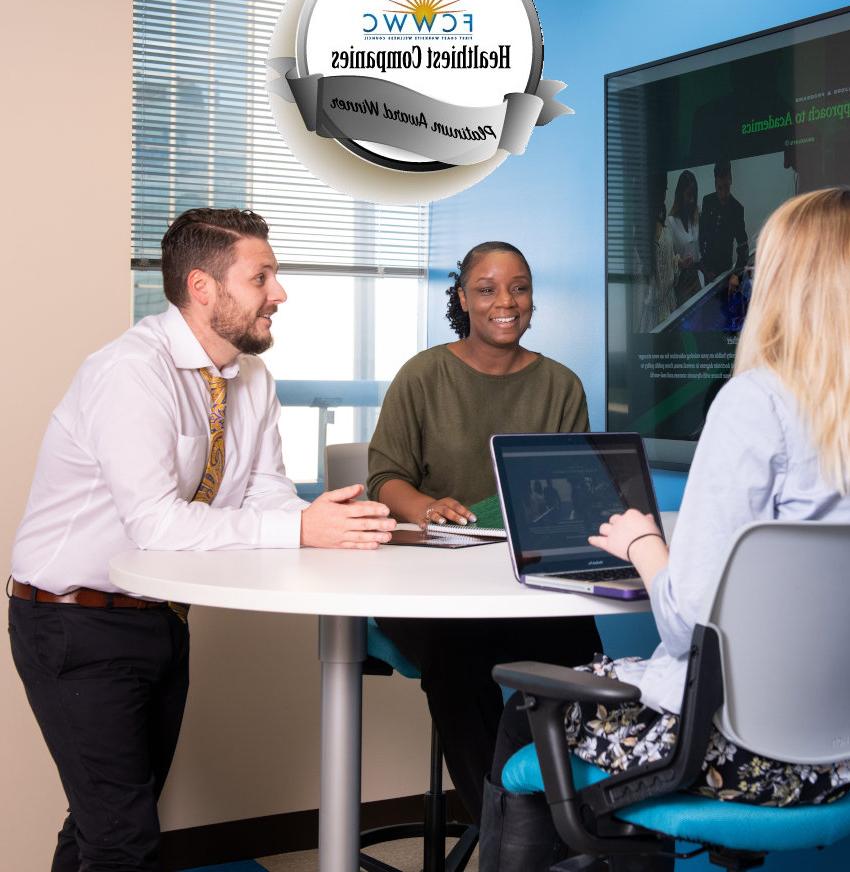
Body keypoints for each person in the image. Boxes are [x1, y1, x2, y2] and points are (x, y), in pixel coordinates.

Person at [8, 208, 394, 872]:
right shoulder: (130, 372)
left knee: (103, 824)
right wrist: (298, 528)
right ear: (203, 286)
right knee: (123, 839)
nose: (280, 292)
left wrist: (317, 520)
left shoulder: (252, 380)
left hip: (159, 620)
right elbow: (156, 524)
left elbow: (264, 490)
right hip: (72, 623)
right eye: (262, 276)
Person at [483, 188, 850, 872]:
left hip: (734, 755)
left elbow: (691, 626)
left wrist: (643, 546)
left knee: (524, 714)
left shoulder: (759, 402)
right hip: (839, 762)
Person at [367, 241, 602, 824]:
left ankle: (579, 825)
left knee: (584, 659)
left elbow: (574, 487)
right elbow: (383, 477)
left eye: (519, 287)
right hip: (434, 588)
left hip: (529, 584)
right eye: (488, 288)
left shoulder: (562, 386)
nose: (506, 301)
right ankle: (506, 833)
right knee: (457, 664)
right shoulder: (423, 375)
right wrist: (425, 506)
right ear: (463, 299)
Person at [699, 160, 750, 282]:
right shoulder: (707, 201)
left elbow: (743, 247)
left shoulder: (737, 209)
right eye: (719, 188)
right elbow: (701, 235)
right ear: (715, 183)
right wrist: (704, 268)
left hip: (725, 272)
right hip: (707, 271)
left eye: (726, 187)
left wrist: (735, 275)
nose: (723, 194)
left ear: (731, 180)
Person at [639, 201, 678, 331]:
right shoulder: (641, 235)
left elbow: (671, 260)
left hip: (669, 304)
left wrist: (679, 263)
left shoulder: (666, 231)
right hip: (652, 312)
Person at [668, 169, 701, 306]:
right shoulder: (671, 222)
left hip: (697, 278)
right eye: (688, 195)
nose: (692, 200)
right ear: (680, 195)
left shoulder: (696, 217)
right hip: (681, 282)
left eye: (694, 195)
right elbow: (667, 260)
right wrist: (681, 262)